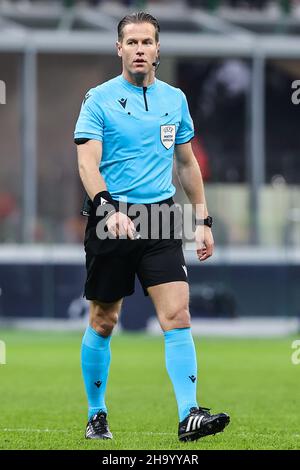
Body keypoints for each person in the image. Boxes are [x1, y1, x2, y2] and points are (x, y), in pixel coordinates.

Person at [74, 11, 230, 442]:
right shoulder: (99, 99)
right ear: (119, 48)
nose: (140, 49)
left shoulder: (174, 99)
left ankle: (189, 415)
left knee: (177, 315)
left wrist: (202, 219)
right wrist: (107, 207)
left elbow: (186, 163)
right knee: (105, 320)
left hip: (160, 216)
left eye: (147, 42)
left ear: (158, 49)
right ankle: (96, 413)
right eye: (132, 42)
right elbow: (87, 162)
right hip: (111, 218)